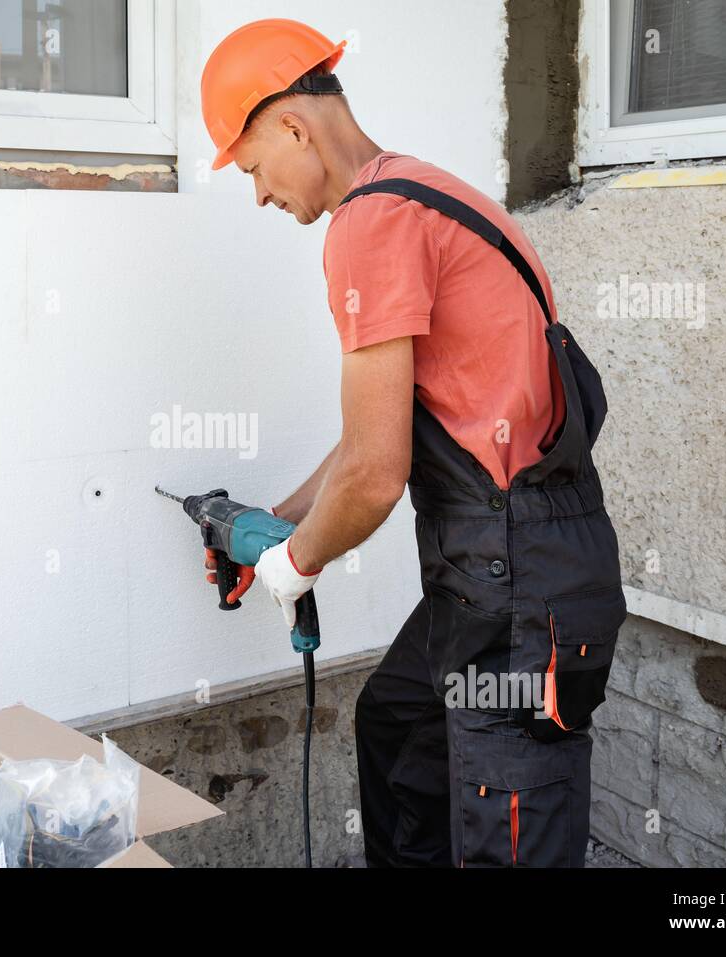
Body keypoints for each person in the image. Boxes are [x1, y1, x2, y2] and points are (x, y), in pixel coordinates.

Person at [200, 18, 628, 867]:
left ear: (292, 125)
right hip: (504, 574)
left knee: (507, 830)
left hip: (517, 593)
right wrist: (281, 519)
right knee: (399, 724)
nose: (258, 195)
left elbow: (374, 474)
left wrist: (297, 563)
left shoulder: (368, 224)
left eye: (252, 169)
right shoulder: (424, 191)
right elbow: (379, 432)